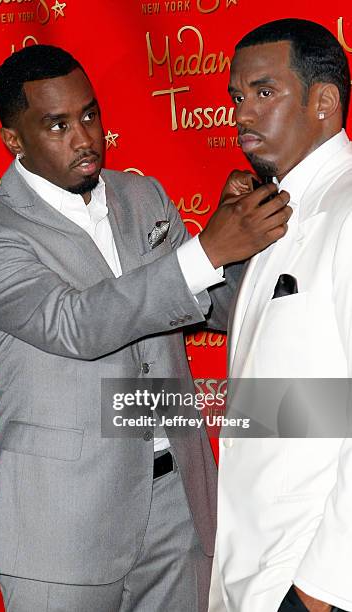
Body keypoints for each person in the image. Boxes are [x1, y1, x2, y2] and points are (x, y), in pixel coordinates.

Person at [0, 45, 290, 612]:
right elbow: (76, 325)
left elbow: (210, 307)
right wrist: (206, 252)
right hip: (59, 529)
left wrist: (244, 253)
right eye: (57, 125)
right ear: (14, 140)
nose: (84, 137)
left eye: (89, 114)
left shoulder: (142, 195)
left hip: (178, 509)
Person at [210, 18, 352, 612]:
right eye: (238, 97)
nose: (241, 114)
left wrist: (322, 585)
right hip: (256, 568)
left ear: (324, 102)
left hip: (310, 574)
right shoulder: (274, 213)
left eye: (264, 93)